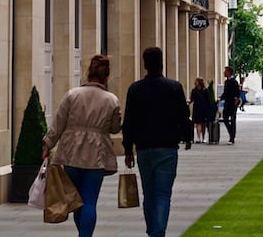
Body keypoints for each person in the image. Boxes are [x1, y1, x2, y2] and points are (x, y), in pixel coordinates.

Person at [43, 55, 122, 237]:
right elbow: (114, 127)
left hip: (71, 152)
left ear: (89, 72)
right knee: (89, 200)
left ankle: (82, 234)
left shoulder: (72, 94)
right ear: (106, 76)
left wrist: (48, 144)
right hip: (97, 153)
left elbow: (58, 122)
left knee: (75, 199)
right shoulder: (111, 99)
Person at [123, 47, 192, 237]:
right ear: (162, 63)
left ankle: (153, 229)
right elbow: (183, 116)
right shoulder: (174, 87)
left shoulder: (135, 89)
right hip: (167, 146)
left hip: (144, 147)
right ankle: (157, 231)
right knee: (163, 193)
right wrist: (187, 137)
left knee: (149, 193)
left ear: (145, 64)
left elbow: (129, 121)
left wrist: (128, 149)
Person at [189, 78, 215, 144]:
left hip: (204, 109)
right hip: (197, 108)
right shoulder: (194, 90)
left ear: (199, 82)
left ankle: (203, 137)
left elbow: (208, 101)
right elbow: (192, 99)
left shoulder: (205, 90)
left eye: (196, 81)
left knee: (203, 124)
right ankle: (198, 138)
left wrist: (209, 109)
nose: (195, 82)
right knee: (198, 123)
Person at [220, 67, 240, 144]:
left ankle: (232, 137)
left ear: (229, 72)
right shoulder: (226, 82)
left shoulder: (234, 82)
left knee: (232, 120)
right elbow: (225, 93)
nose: (224, 73)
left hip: (232, 103)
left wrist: (236, 100)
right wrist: (220, 98)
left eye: (225, 71)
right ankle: (231, 133)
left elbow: (237, 93)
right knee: (225, 119)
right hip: (227, 103)